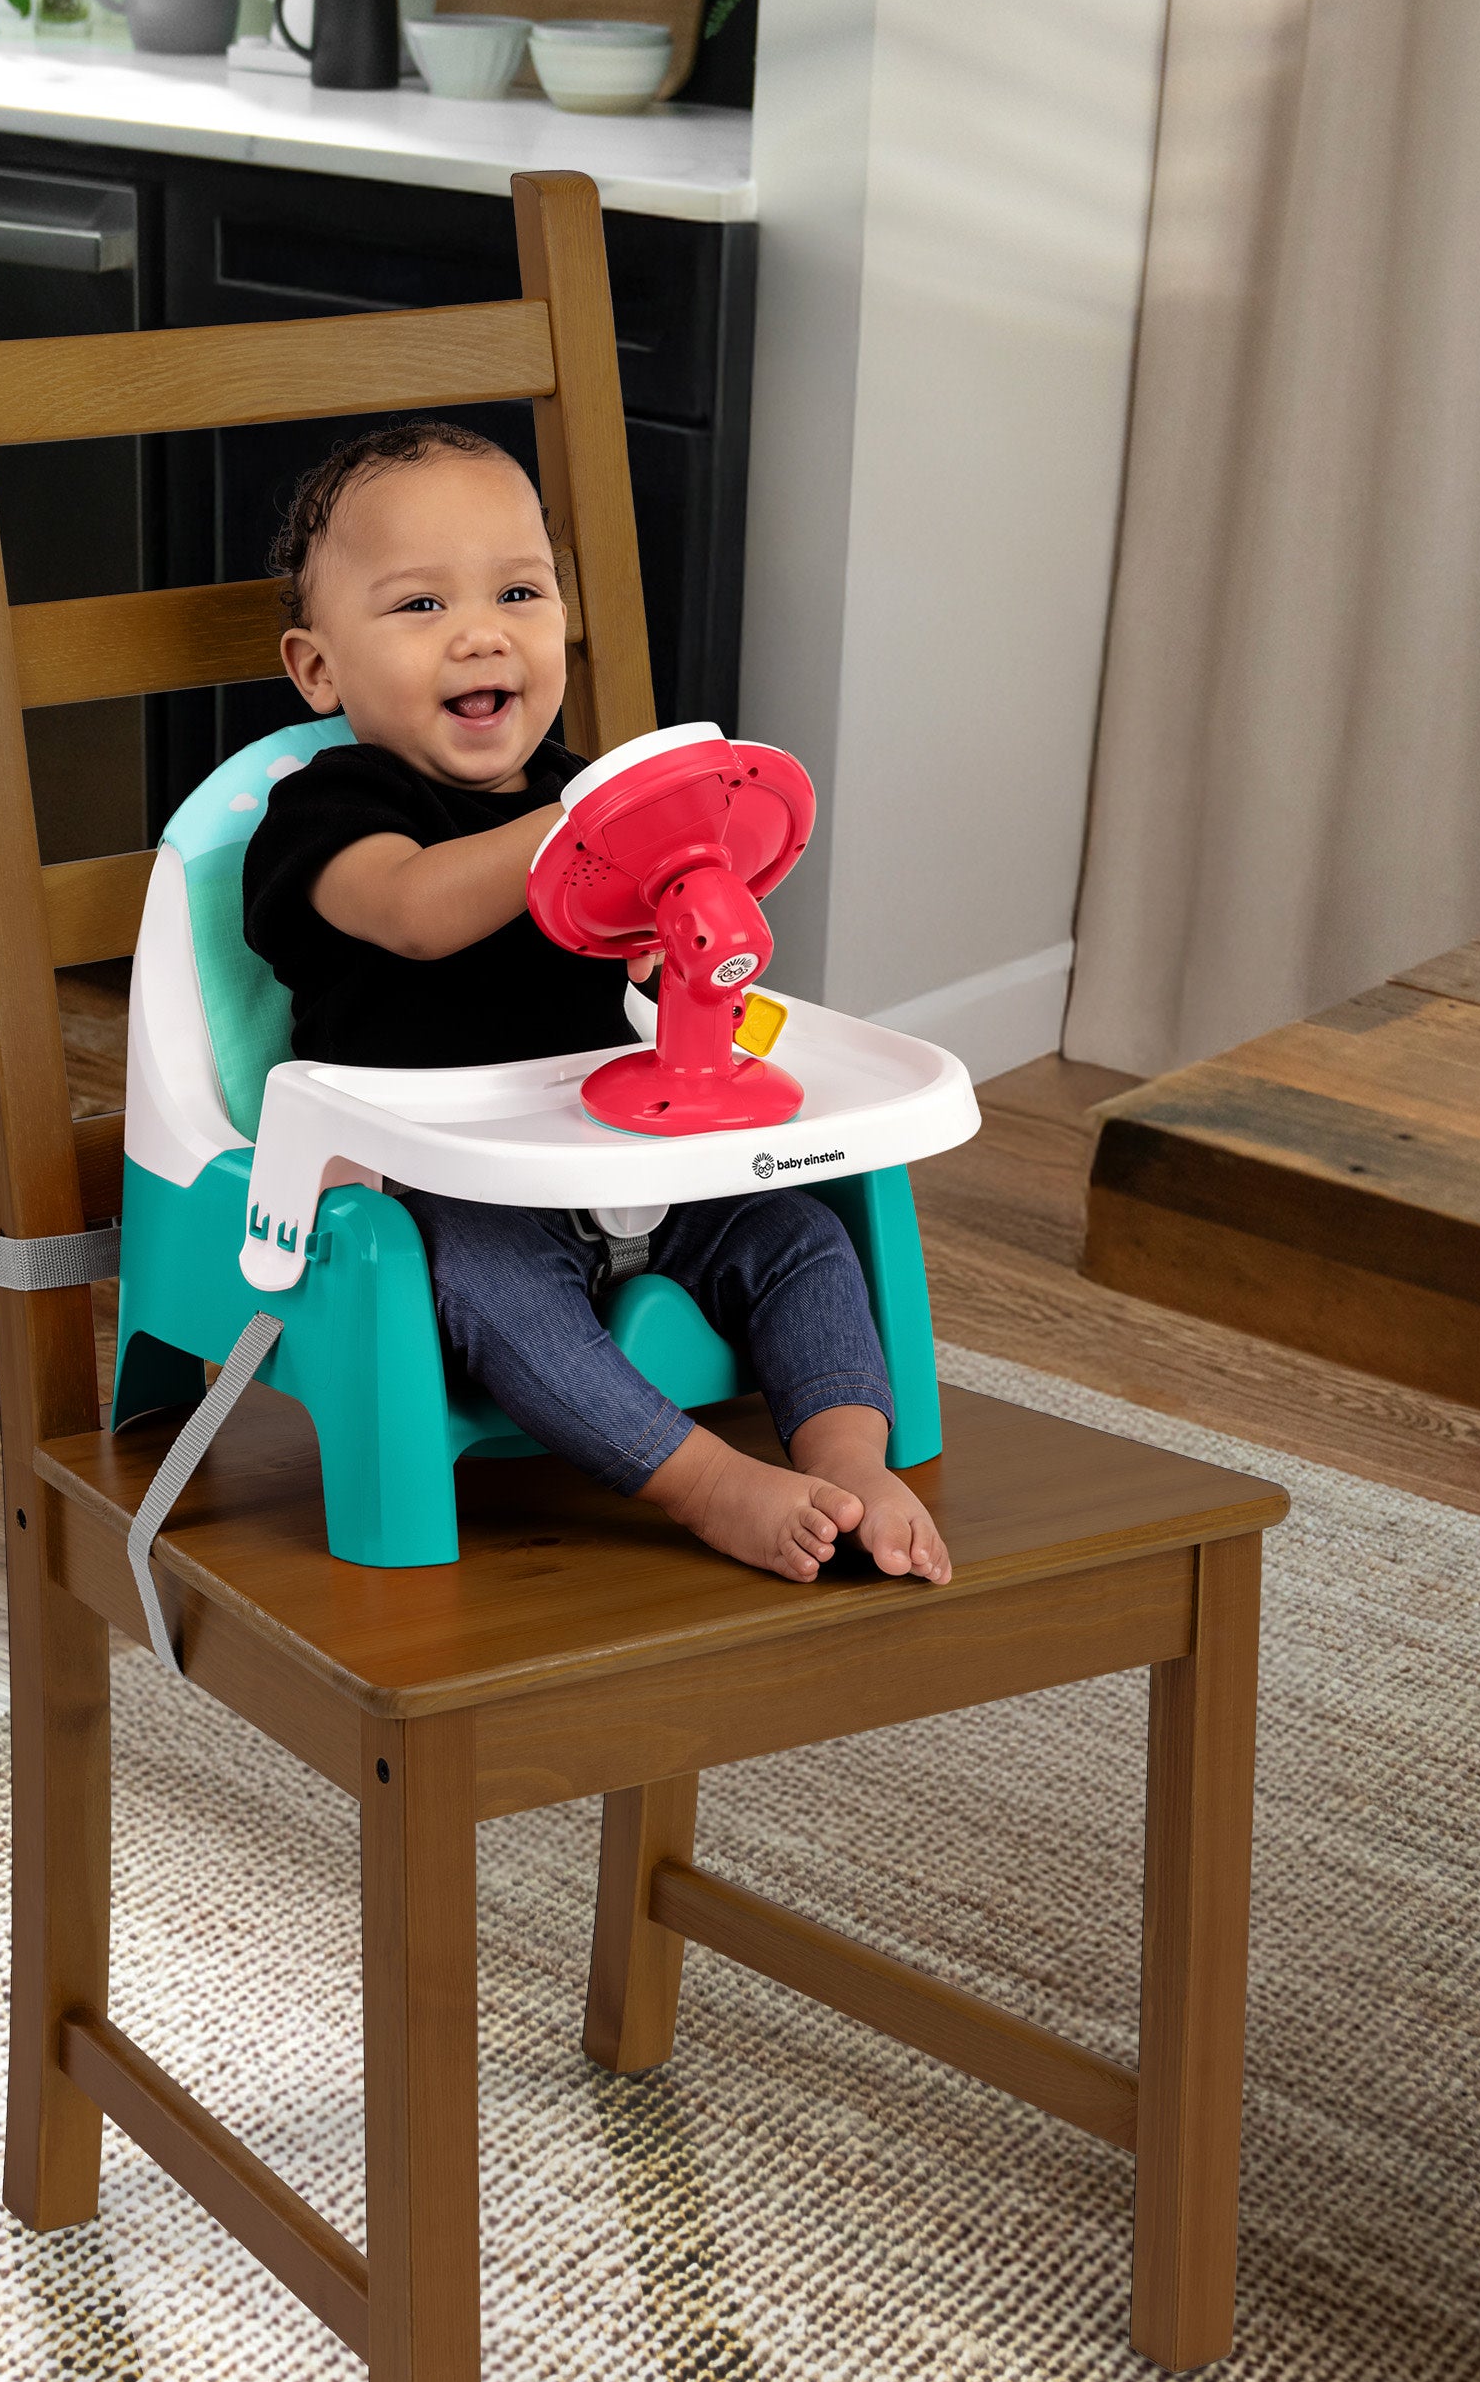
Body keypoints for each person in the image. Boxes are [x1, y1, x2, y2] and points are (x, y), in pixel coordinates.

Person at [239, 420, 952, 1587]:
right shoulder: (328, 809)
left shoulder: (582, 795)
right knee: (494, 1297)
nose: (481, 632)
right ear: (318, 669)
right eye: (421, 605)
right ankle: (704, 1483)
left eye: (518, 592)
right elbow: (414, 910)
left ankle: (850, 1461)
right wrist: (584, 827)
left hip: (619, 1154)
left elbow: (651, 973)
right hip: (451, 1196)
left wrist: (683, 962)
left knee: (805, 1238)